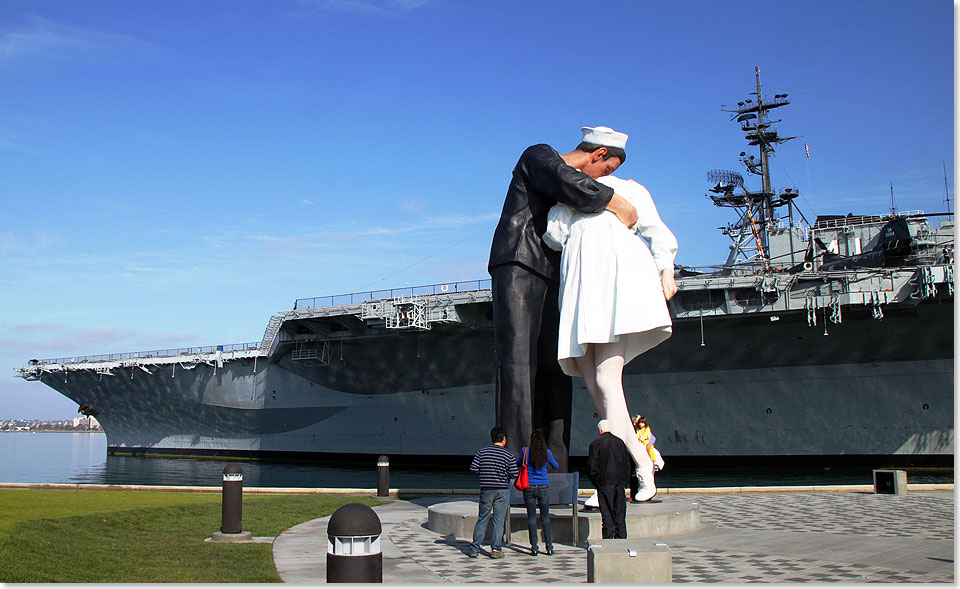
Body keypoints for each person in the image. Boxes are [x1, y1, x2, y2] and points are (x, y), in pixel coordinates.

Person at [489, 126, 639, 471]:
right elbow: (565, 179)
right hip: (518, 262)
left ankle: (551, 466)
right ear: (598, 155)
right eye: (608, 170)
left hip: (555, 273)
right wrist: (618, 203)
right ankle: (513, 466)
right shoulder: (538, 155)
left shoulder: (571, 190)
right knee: (517, 366)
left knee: (556, 368)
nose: (607, 178)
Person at [543, 173, 678, 502]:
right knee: (596, 385)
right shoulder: (570, 197)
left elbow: (656, 231)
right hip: (580, 290)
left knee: (606, 379)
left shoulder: (631, 188)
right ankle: (644, 465)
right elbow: (554, 236)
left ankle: (610, 478)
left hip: (615, 285)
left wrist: (666, 268)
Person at [469, 426, 519, 559]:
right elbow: (514, 473)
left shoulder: (482, 452)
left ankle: (475, 549)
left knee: (482, 519)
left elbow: (473, 468)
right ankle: (496, 550)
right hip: (502, 490)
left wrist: (483, 473)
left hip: (486, 489)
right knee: (498, 520)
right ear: (503, 439)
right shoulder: (508, 455)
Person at [517, 429, 559, 556]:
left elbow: (518, 463)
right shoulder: (547, 452)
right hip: (543, 486)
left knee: (531, 517)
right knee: (545, 518)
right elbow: (556, 466)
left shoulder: (525, 451)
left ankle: (534, 547)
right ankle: (549, 547)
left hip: (529, 486)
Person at [587, 419, 632, 539]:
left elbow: (592, 466)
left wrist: (596, 481)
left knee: (607, 515)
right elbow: (627, 464)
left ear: (600, 430)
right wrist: (624, 481)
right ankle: (621, 539)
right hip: (619, 483)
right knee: (620, 514)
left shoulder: (595, 444)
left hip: (604, 483)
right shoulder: (620, 443)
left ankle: (608, 540)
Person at [629, 415, 665, 502]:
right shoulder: (634, 431)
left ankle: (647, 487)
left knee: (646, 470)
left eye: (636, 422)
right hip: (635, 454)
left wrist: (648, 444)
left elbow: (652, 437)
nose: (635, 424)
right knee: (633, 476)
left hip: (644, 449)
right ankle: (634, 494)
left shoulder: (645, 431)